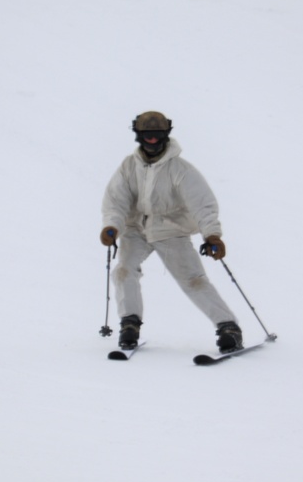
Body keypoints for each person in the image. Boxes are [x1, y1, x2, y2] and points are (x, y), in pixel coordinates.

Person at [100, 110, 243, 352]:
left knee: (193, 280)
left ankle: (228, 327)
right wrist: (112, 226)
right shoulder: (128, 166)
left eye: (157, 134)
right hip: (135, 230)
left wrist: (212, 235)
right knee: (124, 270)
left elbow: (203, 204)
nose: (152, 139)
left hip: (171, 231)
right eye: (147, 134)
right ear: (138, 135)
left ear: (166, 134)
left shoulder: (181, 169)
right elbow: (116, 200)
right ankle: (129, 324)